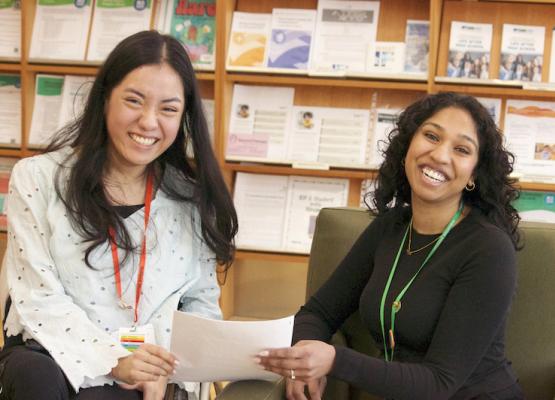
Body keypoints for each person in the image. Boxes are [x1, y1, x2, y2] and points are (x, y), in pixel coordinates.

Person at [0, 30, 237, 400]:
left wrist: (165, 367)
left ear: (184, 117)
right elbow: (37, 296)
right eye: (134, 100)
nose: (148, 121)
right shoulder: (38, 178)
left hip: (149, 361)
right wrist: (111, 357)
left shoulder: (192, 197)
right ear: (105, 97)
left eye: (168, 109)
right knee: (34, 377)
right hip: (53, 349)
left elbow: (201, 308)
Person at [258, 92, 524, 400]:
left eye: (462, 149)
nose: (439, 155)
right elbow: (317, 313)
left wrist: (332, 360)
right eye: (431, 136)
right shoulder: (393, 226)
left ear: (473, 175)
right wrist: (302, 361)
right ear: (408, 146)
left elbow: (439, 382)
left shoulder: (489, 249)